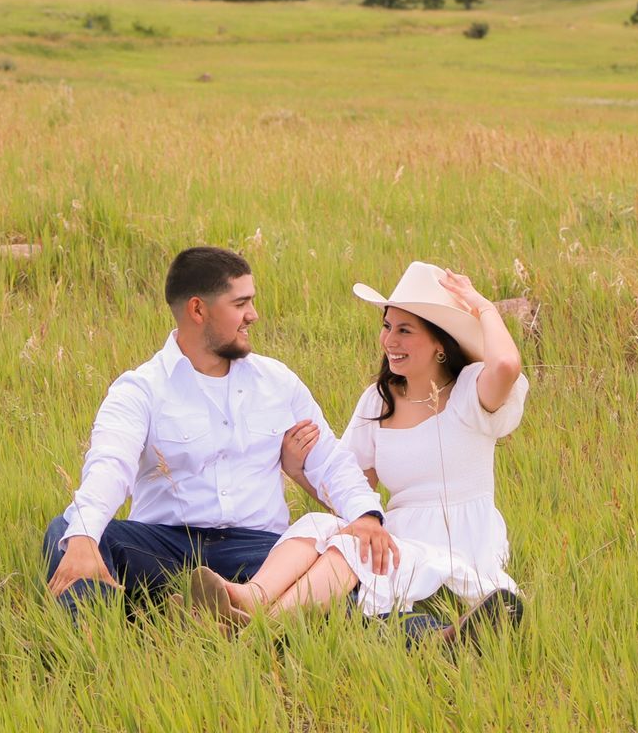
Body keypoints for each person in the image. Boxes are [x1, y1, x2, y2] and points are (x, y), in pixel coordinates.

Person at [187, 262, 529, 646]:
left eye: (404, 330)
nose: (389, 341)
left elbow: (506, 364)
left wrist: (481, 306)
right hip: (398, 537)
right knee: (320, 526)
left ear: (439, 343)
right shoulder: (378, 401)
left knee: (352, 549)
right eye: (387, 327)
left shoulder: (471, 391)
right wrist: (299, 472)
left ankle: (262, 631)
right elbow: (353, 497)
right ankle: (251, 598)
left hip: (458, 541)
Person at [42, 246, 397, 616]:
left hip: (261, 552)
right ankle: (96, 638)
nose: (253, 315)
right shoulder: (141, 389)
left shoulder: (277, 382)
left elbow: (330, 461)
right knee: (70, 531)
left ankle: (430, 637)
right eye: (240, 303)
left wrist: (365, 516)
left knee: (344, 568)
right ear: (198, 310)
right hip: (165, 547)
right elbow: (109, 465)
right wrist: (84, 533)